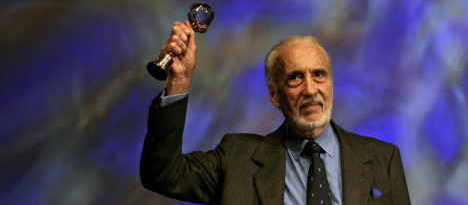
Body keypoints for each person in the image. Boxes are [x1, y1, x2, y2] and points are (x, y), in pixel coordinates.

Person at [140, 21, 411, 205]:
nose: (309, 89)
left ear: (330, 84)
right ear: (274, 95)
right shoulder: (238, 159)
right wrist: (179, 81)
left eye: (319, 75)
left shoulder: (382, 159)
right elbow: (163, 175)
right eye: (294, 78)